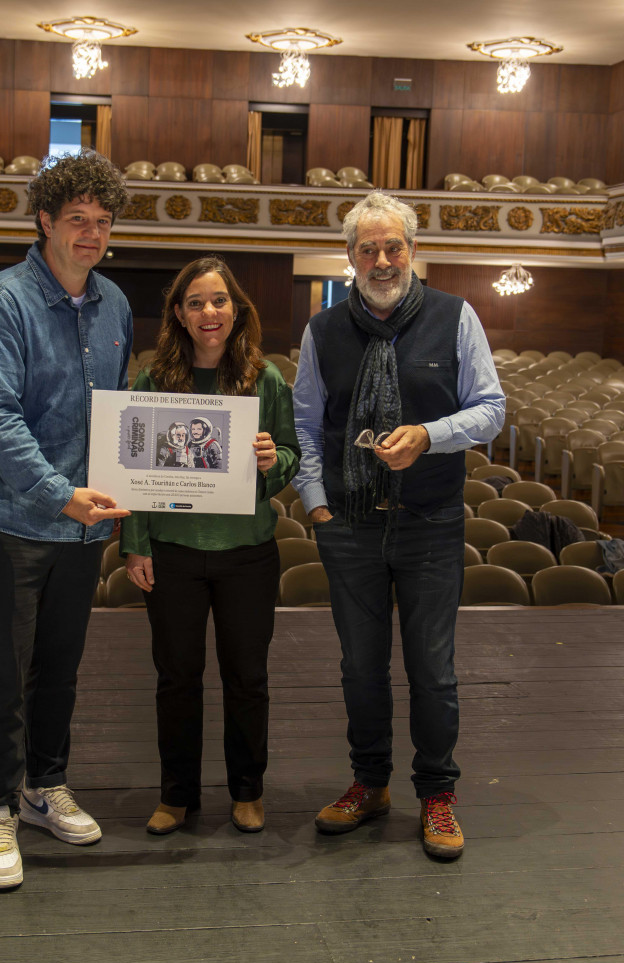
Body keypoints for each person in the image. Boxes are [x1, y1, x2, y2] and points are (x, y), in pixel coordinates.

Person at [292, 190, 504, 859]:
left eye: (393, 247)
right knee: (359, 668)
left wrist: (430, 434)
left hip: (430, 521)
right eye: (367, 249)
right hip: (349, 525)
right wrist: (316, 504)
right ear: (350, 256)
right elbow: (305, 424)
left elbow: (490, 409)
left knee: (431, 670)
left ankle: (436, 794)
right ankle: (369, 782)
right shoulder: (322, 330)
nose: (381, 260)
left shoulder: (454, 316)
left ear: (411, 249)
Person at [0, 149, 133, 890]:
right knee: (3, 674)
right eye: (76, 221)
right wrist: (61, 492)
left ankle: (43, 785)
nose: (89, 235)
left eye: (100, 222)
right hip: (11, 518)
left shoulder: (115, 304)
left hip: (82, 526)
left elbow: (121, 413)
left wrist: (117, 496)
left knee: (58, 671)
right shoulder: (0, 301)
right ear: (44, 221)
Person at [121, 255, 300, 836]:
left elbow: (291, 457)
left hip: (246, 552)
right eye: (195, 302)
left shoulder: (264, 378)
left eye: (218, 300)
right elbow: (134, 472)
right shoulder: (152, 380)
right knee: (176, 678)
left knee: (247, 677)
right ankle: (177, 794)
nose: (208, 312)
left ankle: (248, 790)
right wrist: (136, 544)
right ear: (178, 313)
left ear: (235, 309)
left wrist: (274, 463)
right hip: (171, 553)